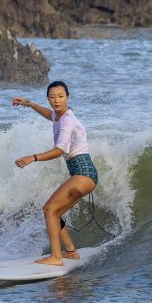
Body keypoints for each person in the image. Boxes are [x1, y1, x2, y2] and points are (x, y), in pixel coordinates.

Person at [13, 81, 99, 266]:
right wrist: (29, 104)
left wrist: (32, 158)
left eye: (60, 96)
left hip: (83, 173)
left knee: (49, 209)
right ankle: (70, 252)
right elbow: (50, 115)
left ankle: (56, 257)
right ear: (48, 98)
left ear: (67, 97)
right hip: (84, 174)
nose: (56, 100)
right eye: (52, 97)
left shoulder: (67, 121)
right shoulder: (61, 115)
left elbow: (59, 150)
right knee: (55, 212)